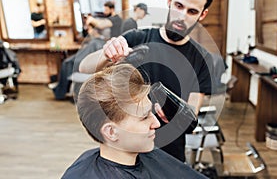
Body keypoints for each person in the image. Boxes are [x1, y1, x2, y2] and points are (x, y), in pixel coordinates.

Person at [79, 0, 216, 162]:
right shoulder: (138, 38)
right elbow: (84, 66)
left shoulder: (202, 59)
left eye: (191, 11)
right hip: (125, 149)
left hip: (170, 153)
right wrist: (106, 54)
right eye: (178, 5)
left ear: (203, 14)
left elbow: (189, 116)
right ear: (169, 1)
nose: (181, 16)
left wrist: (172, 108)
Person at [61, 63, 207, 179]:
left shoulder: (148, 156)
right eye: (144, 117)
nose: (156, 123)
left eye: (151, 112)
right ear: (111, 132)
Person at [49, 25, 105, 100]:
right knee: (67, 63)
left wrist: (71, 61)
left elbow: (80, 58)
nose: (88, 31)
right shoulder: (96, 42)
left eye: (89, 29)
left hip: (81, 64)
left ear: (94, 30)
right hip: (83, 62)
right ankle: (60, 89)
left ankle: (60, 92)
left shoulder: (94, 43)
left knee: (66, 63)